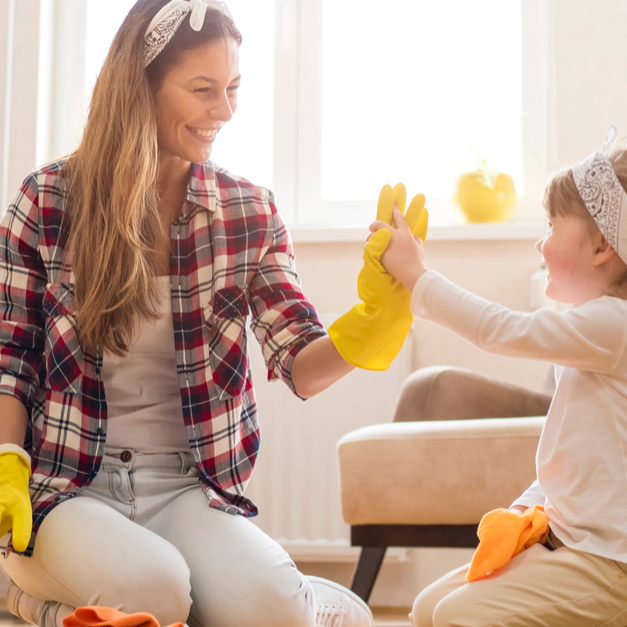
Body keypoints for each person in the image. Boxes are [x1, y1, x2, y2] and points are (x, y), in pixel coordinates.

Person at [0, 1, 417, 625]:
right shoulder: (49, 199)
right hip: (67, 485)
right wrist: (8, 461)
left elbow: (298, 361)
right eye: (203, 90)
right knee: (157, 592)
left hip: (187, 487)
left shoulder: (247, 211)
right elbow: (10, 357)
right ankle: (25, 595)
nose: (224, 110)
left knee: (274, 611)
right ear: (139, 87)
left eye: (233, 89)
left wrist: (370, 324)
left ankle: (300, 606)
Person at [369, 126, 627, 626]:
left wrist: (417, 277)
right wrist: (523, 510)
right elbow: (576, 462)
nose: (540, 241)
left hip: (609, 565)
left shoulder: (613, 324)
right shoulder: (594, 333)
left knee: (456, 616)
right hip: (567, 541)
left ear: (601, 246)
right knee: (426, 609)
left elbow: (501, 330)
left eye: (552, 227)